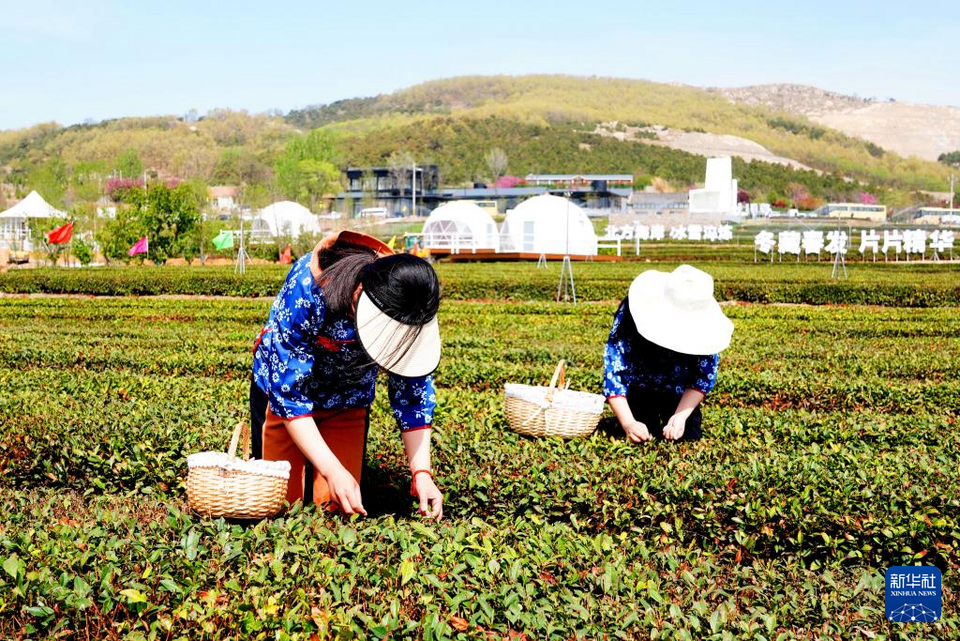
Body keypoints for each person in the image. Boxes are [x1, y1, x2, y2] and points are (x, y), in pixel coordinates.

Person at [250, 230, 444, 519]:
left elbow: (413, 394)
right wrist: (332, 469)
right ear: (357, 299)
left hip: (347, 401)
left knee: (337, 508)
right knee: (278, 507)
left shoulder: (409, 301)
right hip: (284, 396)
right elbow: (289, 394)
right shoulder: (308, 286)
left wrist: (422, 473)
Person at [604, 265, 733, 443]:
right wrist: (629, 423)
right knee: (637, 436)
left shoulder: (705, 328)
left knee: (688, 436)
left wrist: (680, 416)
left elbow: (703, 376)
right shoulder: (631, 311)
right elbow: (614, 371)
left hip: (679, 393)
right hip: (638, 388)